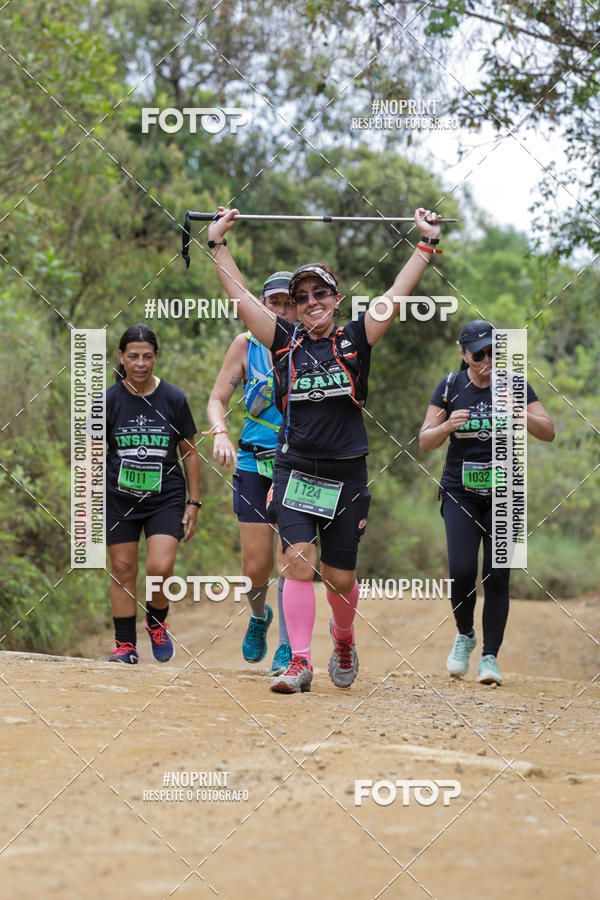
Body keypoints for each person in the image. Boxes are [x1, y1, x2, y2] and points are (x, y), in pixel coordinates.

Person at [207, 204, 443, 693]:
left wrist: (425, 243)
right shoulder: (283, 341)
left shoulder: (356, 337)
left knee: (339, 578)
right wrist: (217, 243)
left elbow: (396, 295)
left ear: (336, 299)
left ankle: (343, 638)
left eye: (320, 293)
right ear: (294, 306)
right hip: (294, 469)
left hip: (346, 475)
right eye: (302, 297)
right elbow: (242, 298)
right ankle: (299, 662)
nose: (311, 302)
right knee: (296, 561)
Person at [419, 319, 555, 685]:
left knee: (497, 575)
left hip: (505, 493)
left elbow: (548, 432)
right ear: (463, 354)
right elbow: (425, 440)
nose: (487, 360)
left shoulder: (515, 385)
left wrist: (520, 413)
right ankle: (465, 634)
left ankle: (490, 657)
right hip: (460, 491)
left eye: (494, 352)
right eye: (479, 354)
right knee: (463, 569)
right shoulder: (450, 386)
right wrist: (447, 426)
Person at [207, 272, 296, 676]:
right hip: (253, 462)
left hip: (297, 465)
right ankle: (260, 615)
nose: (282, 310)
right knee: (256, 567)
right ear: (261, 305)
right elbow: (217, 399)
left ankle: (288, 647)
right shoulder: (245, 345)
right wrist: (221, 432)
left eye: (289, 303)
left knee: (292, 559)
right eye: (274, 303)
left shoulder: (310, 345)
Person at [105, 324, 200, 664]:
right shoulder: (107, 401)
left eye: (147, 356)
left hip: (165, 497)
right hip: (119, 498)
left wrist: (193, 502)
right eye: (133, 356)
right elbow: (91, 454)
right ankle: (125, 646)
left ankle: (156, 622)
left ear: (156, 356)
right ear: (121, 357)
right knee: (123, 568)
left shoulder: (173, 399)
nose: (140, 363)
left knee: (160, 567)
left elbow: (189, 452)